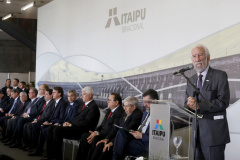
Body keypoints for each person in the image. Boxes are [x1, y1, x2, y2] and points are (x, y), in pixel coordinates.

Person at [184, 44, 230, 160]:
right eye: (194, 56)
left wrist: (199, 105)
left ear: (208, 57)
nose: (197, 59)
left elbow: (223, 102)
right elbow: (186, 105)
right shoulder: (191, 80)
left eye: (200, 55)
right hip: (195, 134)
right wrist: (189, 104)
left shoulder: (220, 76)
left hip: (213, 134)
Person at [41, 86, 100, 160]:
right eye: (82, 94)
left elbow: (87, 123)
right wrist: (68, 123)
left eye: (84, 94)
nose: (81, 96)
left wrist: (71, 124)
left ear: (90, 95)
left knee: (57, 130)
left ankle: (57, 157)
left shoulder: (93, 107)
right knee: (50, 129)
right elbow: (75, 117)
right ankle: (50, 155)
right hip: (74, 127)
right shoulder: (83, 104)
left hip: (81, 131)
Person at [90, 95, 143, 160]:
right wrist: (107, 139)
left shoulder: (137, 115)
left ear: (134, 107)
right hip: (116, 138)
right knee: (100, 145)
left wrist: (111, 142)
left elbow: (125, 131)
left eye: (126, 106)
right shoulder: (125, 113)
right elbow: (117, 128)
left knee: (106, 149)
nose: (124, 108)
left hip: (124, 141)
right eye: (124, 106)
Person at [112, 89, 159, 160]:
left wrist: (142, 136)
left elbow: (158, 137)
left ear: (155, 101)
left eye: (147, 102)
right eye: (144, 102)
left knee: (120, 144)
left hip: (147, 145)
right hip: (137, 140)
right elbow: (141, 128)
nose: (144, 105)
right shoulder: (145, 113)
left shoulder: (160, 116)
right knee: (121, 133)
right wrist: (136, 132)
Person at [76, 93, 125, 160]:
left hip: (108, 136)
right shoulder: (109, 111)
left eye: (110, 100)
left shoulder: (120, 112)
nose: (107, 101)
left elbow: (114, 129)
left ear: (116, 102)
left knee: (95, 138)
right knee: (85, 136)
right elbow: (102, 125)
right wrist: (95, 132)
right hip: (101, 133)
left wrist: (98, 133)